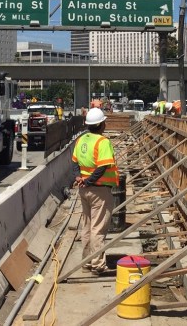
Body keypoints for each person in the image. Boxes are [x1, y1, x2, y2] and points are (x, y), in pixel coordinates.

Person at [71, 107, 119, 274]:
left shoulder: (81, 140)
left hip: (84, 190)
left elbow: (74, 162)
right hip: (99, 190)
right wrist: (90, 181)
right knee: (98, 228)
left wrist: (79, 178)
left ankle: (86, 262)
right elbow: (103, 166)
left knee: (87, 226)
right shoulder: (102, 142)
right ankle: (97, 264)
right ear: (101, 125)